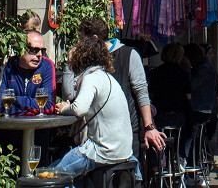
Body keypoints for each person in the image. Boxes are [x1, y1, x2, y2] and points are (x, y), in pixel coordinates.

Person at [62, 15, 167, 154]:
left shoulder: (128, 55)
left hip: (126, 130)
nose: (80, 44)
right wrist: (69, 65)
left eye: (82, 39)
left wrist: (149, 127)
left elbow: (141, 92)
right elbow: (70, 95)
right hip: (93, 134)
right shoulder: (87, 60)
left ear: (94, 38)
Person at [46, 36, 134, 179]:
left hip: (102, 151)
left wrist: (63, 109)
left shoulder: (91, 77)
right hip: (122, 150)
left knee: (49, 176)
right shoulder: (105, 77)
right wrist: (72, 106)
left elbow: (79, 109)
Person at [0, 29, 57, 111]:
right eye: (34, 50)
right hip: (11, 122)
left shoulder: (47, 66)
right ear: (20, 49)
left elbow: (48, 106)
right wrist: (32, 106)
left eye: (42, 50)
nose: (39, 55)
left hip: (39, 122)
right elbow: (0, 105)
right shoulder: (7, 66)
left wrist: (16, 100)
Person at [147, 42, 192, 145]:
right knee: (186, 134)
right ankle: (181, 155)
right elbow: (189, 95)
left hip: (160, 113)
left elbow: (151, 91)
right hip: (178, 113)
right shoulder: (182, 72)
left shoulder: (156, 71)